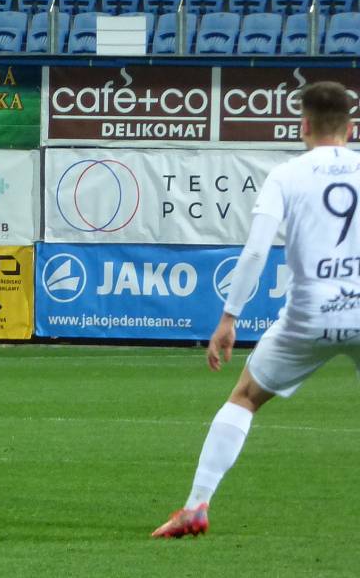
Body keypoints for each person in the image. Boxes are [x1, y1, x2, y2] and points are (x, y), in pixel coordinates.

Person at [152, 81, 360, 538]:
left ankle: (196, 506)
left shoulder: (287, 175)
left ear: (303, 124)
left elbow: (253, 254)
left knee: (245, 397)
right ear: (351, 126)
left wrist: (229, 318)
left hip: (309, 314)